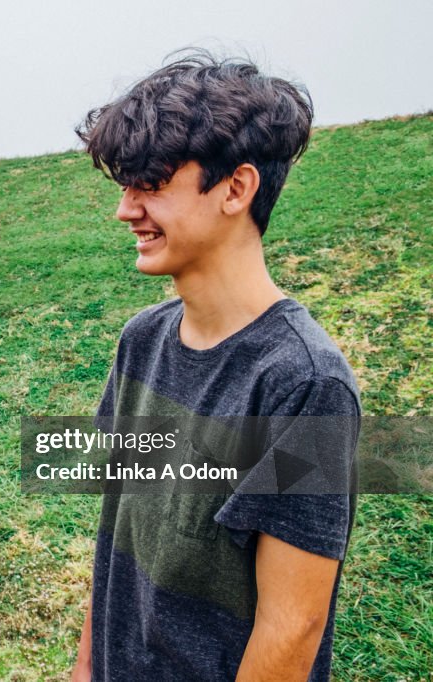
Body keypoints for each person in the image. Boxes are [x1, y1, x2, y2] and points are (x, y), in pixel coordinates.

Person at [69, 51, 360, 681]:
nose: (125, 209)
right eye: (125, 185)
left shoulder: (306, 383)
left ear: (237, 188)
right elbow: (119, 533)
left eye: (151, 183)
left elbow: (292, 626)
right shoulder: (141, 342)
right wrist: (87, 667)